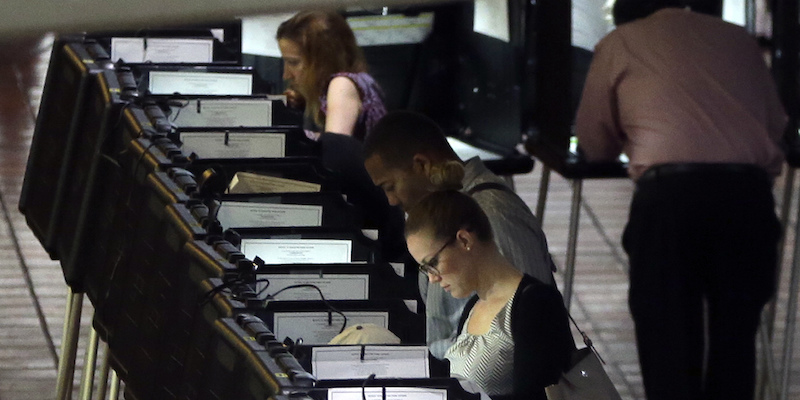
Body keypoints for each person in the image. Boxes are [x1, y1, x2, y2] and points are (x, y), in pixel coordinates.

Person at [574, 1, 786, 399]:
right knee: (735, 336)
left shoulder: (620, 42)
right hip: (747, 197)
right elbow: (775, 125)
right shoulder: (737, 38)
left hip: (670, 199)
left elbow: (594, 142)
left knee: (667, 336)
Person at [363, 110, 557, 358]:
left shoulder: (492, 216)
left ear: (422, 165)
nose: (390, 201)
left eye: (390, 187)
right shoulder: (442, 214)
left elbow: (530, 328)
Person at [405, 190, 573, 400]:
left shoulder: (536, 305)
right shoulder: (473, 305)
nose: (432, 279)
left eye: (432, 264)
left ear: (464, 240)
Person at [276, 10, 386, 141]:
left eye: (293, 62)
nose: (286, 75)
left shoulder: (342, 85)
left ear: (323, 59)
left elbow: (335, 148)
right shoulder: (356, 81)